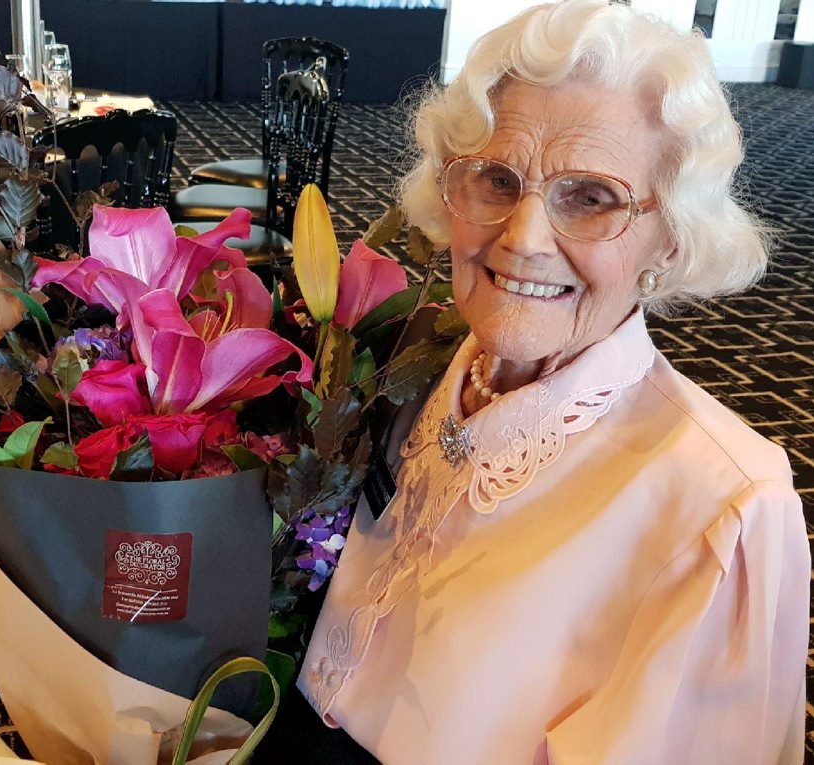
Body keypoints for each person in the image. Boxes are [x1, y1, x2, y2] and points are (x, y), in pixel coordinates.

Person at [288, 2, 811, 763]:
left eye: (591, 198)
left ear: (669, 238)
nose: (525, 237)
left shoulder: (722, 512)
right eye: (496, 180)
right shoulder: (399, 375)